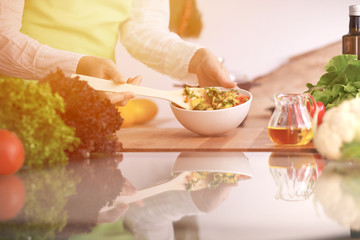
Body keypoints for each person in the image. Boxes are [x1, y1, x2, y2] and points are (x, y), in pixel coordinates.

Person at [0, 0, 236, 105]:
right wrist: (77, 67)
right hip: (20, 106)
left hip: (97, 105)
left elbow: (142, 29)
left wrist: (195, 59)